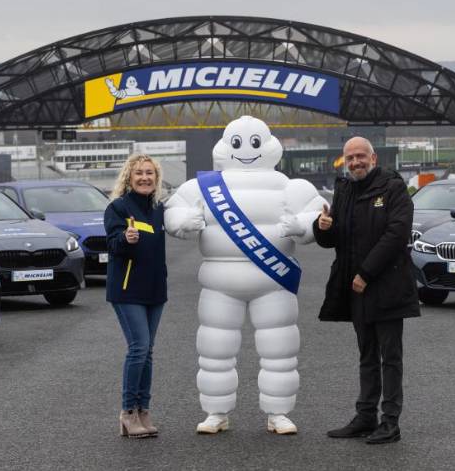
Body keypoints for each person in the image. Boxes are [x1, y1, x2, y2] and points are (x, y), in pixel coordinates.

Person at [164, 116, 325, 435]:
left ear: (268, 145)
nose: (247, 149)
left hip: (273, 283)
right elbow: (173, 212)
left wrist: (304, 227)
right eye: (238, 142)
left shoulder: (290, 187)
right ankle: (216, 412)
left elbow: (318, 217)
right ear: (226, 145)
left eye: (255, 142)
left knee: (279, 351)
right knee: (214, 351)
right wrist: (185, 219)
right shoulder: (202, 187)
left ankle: (278, 413)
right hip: (219, 283)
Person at [312, 136, 420, 444]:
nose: (356, 162)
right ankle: (365, 416)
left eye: (361, 156)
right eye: (350, 158)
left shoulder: (393, 187)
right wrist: (322, 226)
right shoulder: (344, 190)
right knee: (367, 355)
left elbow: (396, 234)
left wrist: (366, 273)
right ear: (344, 162)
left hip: (387, 286)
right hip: (356, 288)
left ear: (373, 158)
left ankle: (390, 422)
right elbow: (336, 237)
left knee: (391, 357)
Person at [105, 153, 167, 439]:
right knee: (139, 348)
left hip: (154, 289)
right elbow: (113, 243)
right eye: (139, 173)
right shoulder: (118, 207)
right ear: (129, 178)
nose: (144, 177)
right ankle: (127, 412)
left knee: (149, 352)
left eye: (149, 173)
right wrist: (125, 239)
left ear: (156, 178)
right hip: (127, 290)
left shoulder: (159, 208)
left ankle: (144, 411)